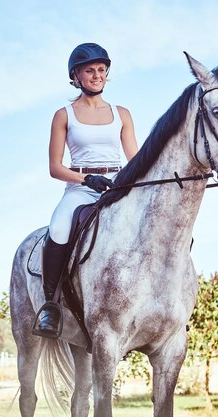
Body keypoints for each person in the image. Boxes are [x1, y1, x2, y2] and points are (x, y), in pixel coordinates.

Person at [34, 42, 139, 337]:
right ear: (76, 76)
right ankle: (50, 306)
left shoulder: (122, 114)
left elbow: (136, 160)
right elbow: (55, 167)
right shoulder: (64, 114)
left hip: (117, 186)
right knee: (58, 228)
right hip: (80, 188)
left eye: (101, 70)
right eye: (90, 71)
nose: (97, 75)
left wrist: (130, 181)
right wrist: (87, 180)